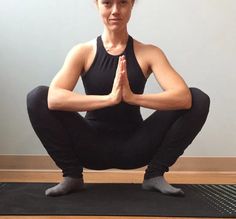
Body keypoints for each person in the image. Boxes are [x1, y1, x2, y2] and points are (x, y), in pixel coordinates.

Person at [27, 0, 210, 197]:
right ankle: (72, 175)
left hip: (136, 146)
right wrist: (110, 99)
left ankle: (154, 174)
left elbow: (183, 97)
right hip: (90, 146)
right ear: (97, 5)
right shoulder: (82, 52)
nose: (115, 10)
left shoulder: (149, 52)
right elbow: (54, 98)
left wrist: (132, 98)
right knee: (38, 96)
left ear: (132, 5)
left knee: (198, 98)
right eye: (107, 3)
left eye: (123, 2)